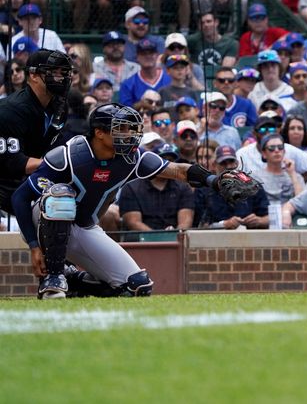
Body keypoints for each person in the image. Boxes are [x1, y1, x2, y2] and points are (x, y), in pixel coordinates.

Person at [11, 103, 246, 298]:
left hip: (83, 226)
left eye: (130, 129)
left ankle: (74, 280)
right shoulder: (70, 155)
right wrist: (33, 246)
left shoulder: (132, 158)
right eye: (121, 129)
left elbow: (178, 171)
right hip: (43, 221)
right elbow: (20, 197)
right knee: (62, 197)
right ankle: (53, 277)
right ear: (100, 132)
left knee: (137, 285)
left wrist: (213, 180)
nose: (130, 135)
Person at [0, 50, 72, 213]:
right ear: (33, 75)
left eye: (64, 72)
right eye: (54, 72)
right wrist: (63, 165)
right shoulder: (10, 111)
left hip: (31, 183)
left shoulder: (60, 106)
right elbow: (13, 162)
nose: (61, 77)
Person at [118, 143, 194, 232]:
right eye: (162, 160)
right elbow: (133, 222)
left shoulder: (183, 188)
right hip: (141, 240)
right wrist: (159, 237)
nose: (166, 166)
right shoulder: (132, 187)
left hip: (175, 238)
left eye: (171, 161)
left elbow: (185, 222)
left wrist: (174, 235)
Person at [193, 145, 270, 229]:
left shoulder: (252, 185)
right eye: (223, 163)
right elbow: (199, 226)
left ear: (237, 163)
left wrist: (258, 221)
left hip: (250, 236)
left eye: (231, 161)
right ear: (214, 165)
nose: (229, 166)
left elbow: (268, 218)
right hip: (217, 238)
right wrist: (223, 225)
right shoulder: (204, 190)